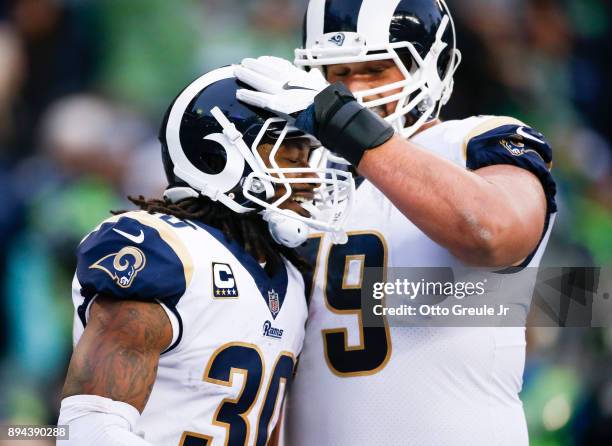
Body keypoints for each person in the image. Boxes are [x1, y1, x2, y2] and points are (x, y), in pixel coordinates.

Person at [232, 0, 558, 444]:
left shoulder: (474, 141)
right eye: (338, 74)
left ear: (433, 66)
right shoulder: (298, 183)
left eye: (376, 69)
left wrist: (345, 123)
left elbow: (493, 234)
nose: (353, 91)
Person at [57, 65, 354, 445]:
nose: (311, 179)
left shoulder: (291, 279)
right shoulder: (169, 252)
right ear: (220, 157)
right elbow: (86, 429)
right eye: (291, 159)